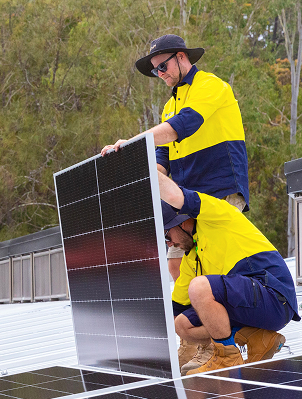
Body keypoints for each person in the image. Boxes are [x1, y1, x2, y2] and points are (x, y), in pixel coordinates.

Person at [101, 34, 250, 368]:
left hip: (220, 191)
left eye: (163, 66)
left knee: (211, 270)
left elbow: (182, 127)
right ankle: (195, 337)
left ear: (182, 58)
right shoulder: (169, 105)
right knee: (175, 264)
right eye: (155, 71)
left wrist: (132, 142)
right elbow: (161, 159)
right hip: (185, 200)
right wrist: (127, 165)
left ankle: (222, 345)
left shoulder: (212, 86)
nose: (161, 75)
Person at [157, 169, 299, 375]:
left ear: (182, 222)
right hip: (251, 303)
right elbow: (175, 309)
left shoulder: (214, 215)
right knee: (183, 324)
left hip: (274, 297)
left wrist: (145, 166)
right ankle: (258, 338)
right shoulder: (191, 258)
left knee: (199, 287)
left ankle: (227, 358)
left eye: (167, 235)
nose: (170, 243)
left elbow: (173, 196)